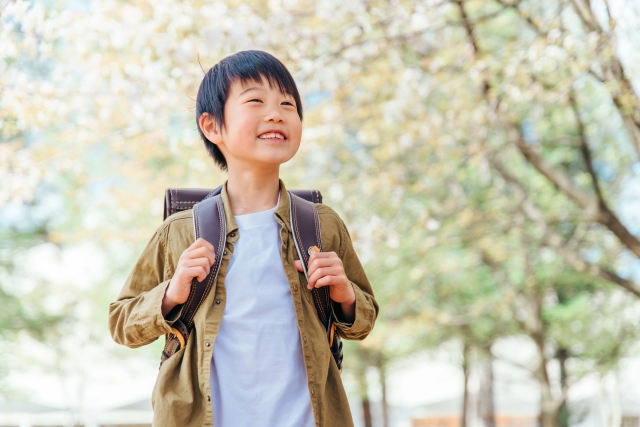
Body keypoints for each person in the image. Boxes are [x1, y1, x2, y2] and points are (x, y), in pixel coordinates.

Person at [108, 50, 378, 427]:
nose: (276, 113)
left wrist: (345, 294)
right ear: (212, 126)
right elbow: (121, 322)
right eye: (255, 101)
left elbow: (363, 321)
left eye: (288, 103)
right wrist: (171, 293)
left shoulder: (321, 225)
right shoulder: (181, 231)